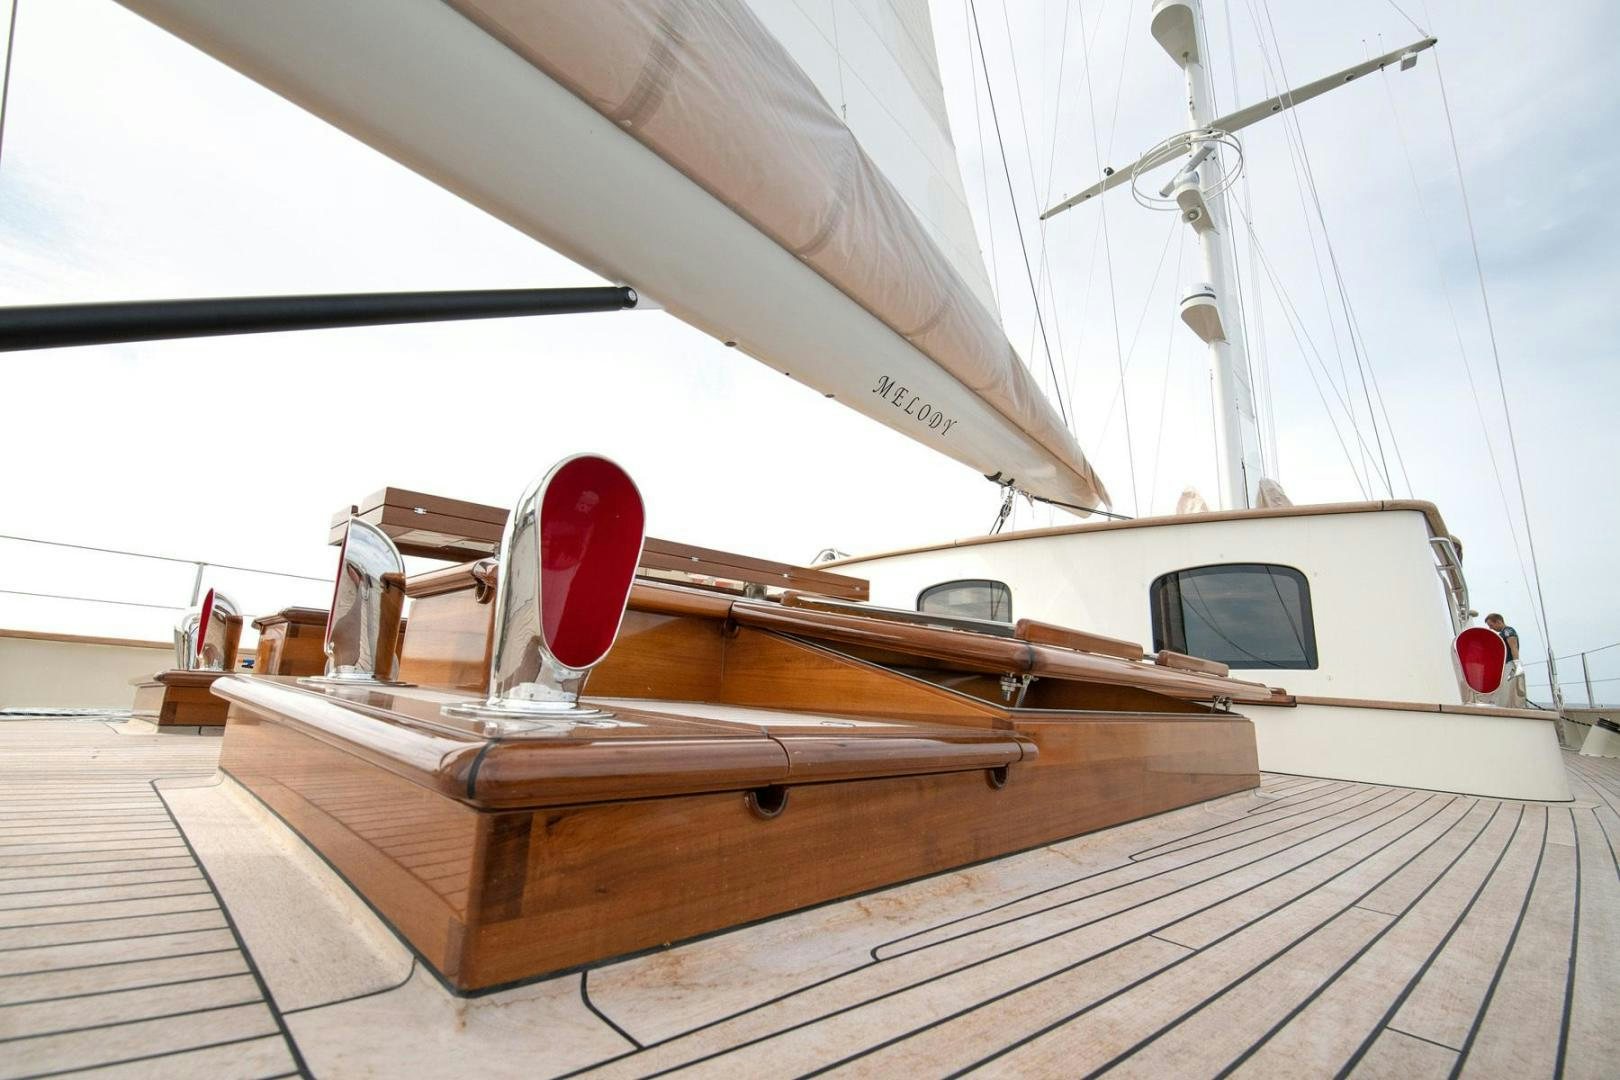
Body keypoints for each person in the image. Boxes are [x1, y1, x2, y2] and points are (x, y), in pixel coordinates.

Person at [1484, 613, 1526, 707]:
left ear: (1498, 621)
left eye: (1491, 625)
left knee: (1510, 689)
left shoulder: (1508, 631)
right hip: (1505, 665)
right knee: (1503, 689)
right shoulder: (1501, 634)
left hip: (1511, 664)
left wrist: (1517, 665)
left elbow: (1513, 647)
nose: (1491, 628)